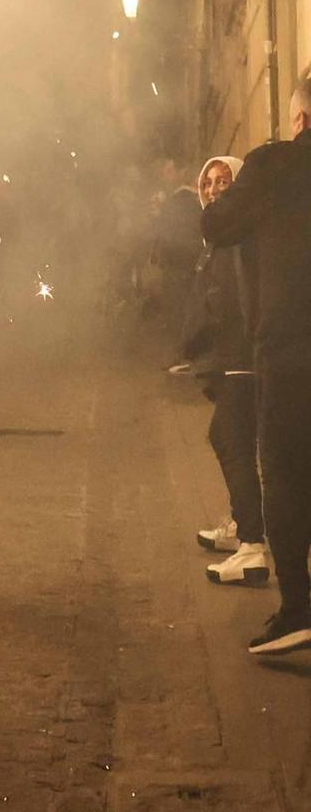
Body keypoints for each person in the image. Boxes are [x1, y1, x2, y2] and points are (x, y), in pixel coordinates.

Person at [202, 79, 311, 658]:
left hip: (293, 354)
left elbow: (216, 227)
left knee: (288, 479)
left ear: (299, 119)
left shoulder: (274, 164)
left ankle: (299, 609)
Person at [176, 155, 266, 586]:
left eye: (224, 180)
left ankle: (252, 544)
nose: (213, 188)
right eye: (208, 182)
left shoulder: (236, 237)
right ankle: (242, 526)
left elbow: (232, 300)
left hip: (239, 360)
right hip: (230, 359)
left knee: (232, 442)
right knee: (231, 440)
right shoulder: (220, 238)